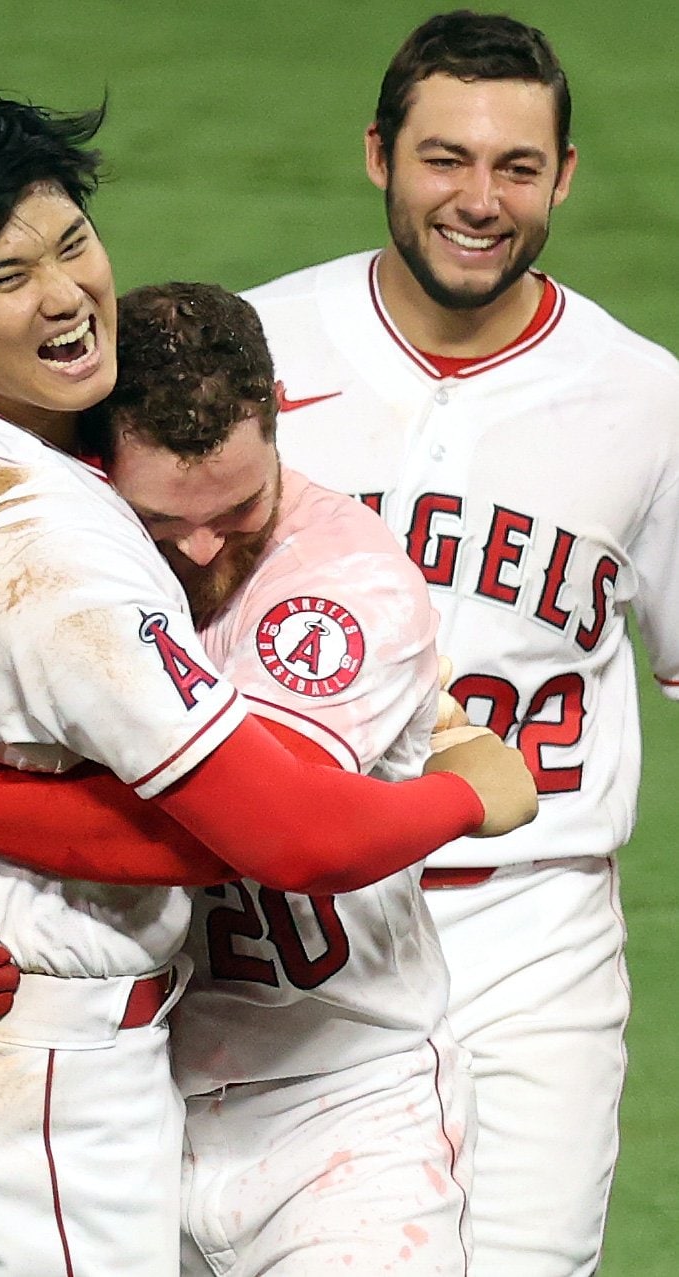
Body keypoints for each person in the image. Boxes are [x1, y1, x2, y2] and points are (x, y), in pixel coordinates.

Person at [0, 93, 536, 1277]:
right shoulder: (53, 549)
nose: (58, 294)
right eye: (4, 275)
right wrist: (470, 790)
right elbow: (275, 833)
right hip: (26, 1081)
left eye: (70, 244)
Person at [0, 278, 485, 1276]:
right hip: (135, 1096)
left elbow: (243, 836)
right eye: (164, 521)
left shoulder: (338, 581)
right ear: (95, 460)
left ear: (275, 411)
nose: (205, 549)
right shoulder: (49, 548)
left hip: (337, 1108)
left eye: (236, 507)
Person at [237, 11, 678, 1275]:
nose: (477, 200)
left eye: (515, 166)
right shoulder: (251, 350)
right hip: (290, 943)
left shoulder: (642, 396)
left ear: (562, 175)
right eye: (444, 159)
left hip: (532, 947)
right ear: (378, 154)